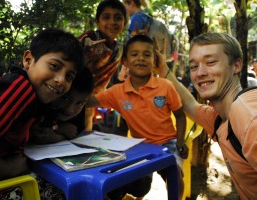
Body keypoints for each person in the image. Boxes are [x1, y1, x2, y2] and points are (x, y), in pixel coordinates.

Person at [0, 28, 84, 200]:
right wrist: (8, 167)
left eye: (69, 76)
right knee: (71, 191)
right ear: (28, 60)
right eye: (54, 66)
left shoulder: (31, 98)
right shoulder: (19, 88)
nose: (60, 80)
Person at [87, 35, 188, 199]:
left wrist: (181, 141)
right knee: (129, 180)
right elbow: (89, 101)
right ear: (125, 62)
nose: (141, 58)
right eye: (134, 54)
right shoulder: (117, 92)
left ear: (154, 61)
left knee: (174, 172)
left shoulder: (165, 87)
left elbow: (180, 115)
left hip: (167, 143)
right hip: (139, 146)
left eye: (147, 55)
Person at [158, 32, 257, 199]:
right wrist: (163, 70)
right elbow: (190, 105)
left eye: (211, 62)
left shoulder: (247, 115)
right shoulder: (220, 119)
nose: (200, 73)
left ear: (237, 65)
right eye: (194, 66)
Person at [78, 0, 128, 131]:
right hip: (73, 96)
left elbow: (132, 63)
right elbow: (71, 52)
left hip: (92, 100)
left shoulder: (120, 49)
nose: (112, 22)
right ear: (97, 22)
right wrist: (82, 47)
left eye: (118, 18)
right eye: (106, 17)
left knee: (86, 128)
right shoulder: (90, 37)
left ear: (125, 23)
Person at [30, 67, 94, 145]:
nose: (70, 109)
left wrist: (58, 135)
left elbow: (75, 133)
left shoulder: (80, 112)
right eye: (65, 98)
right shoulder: (39, 106)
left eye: (79, 103)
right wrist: (59, 130)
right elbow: (38, 135)